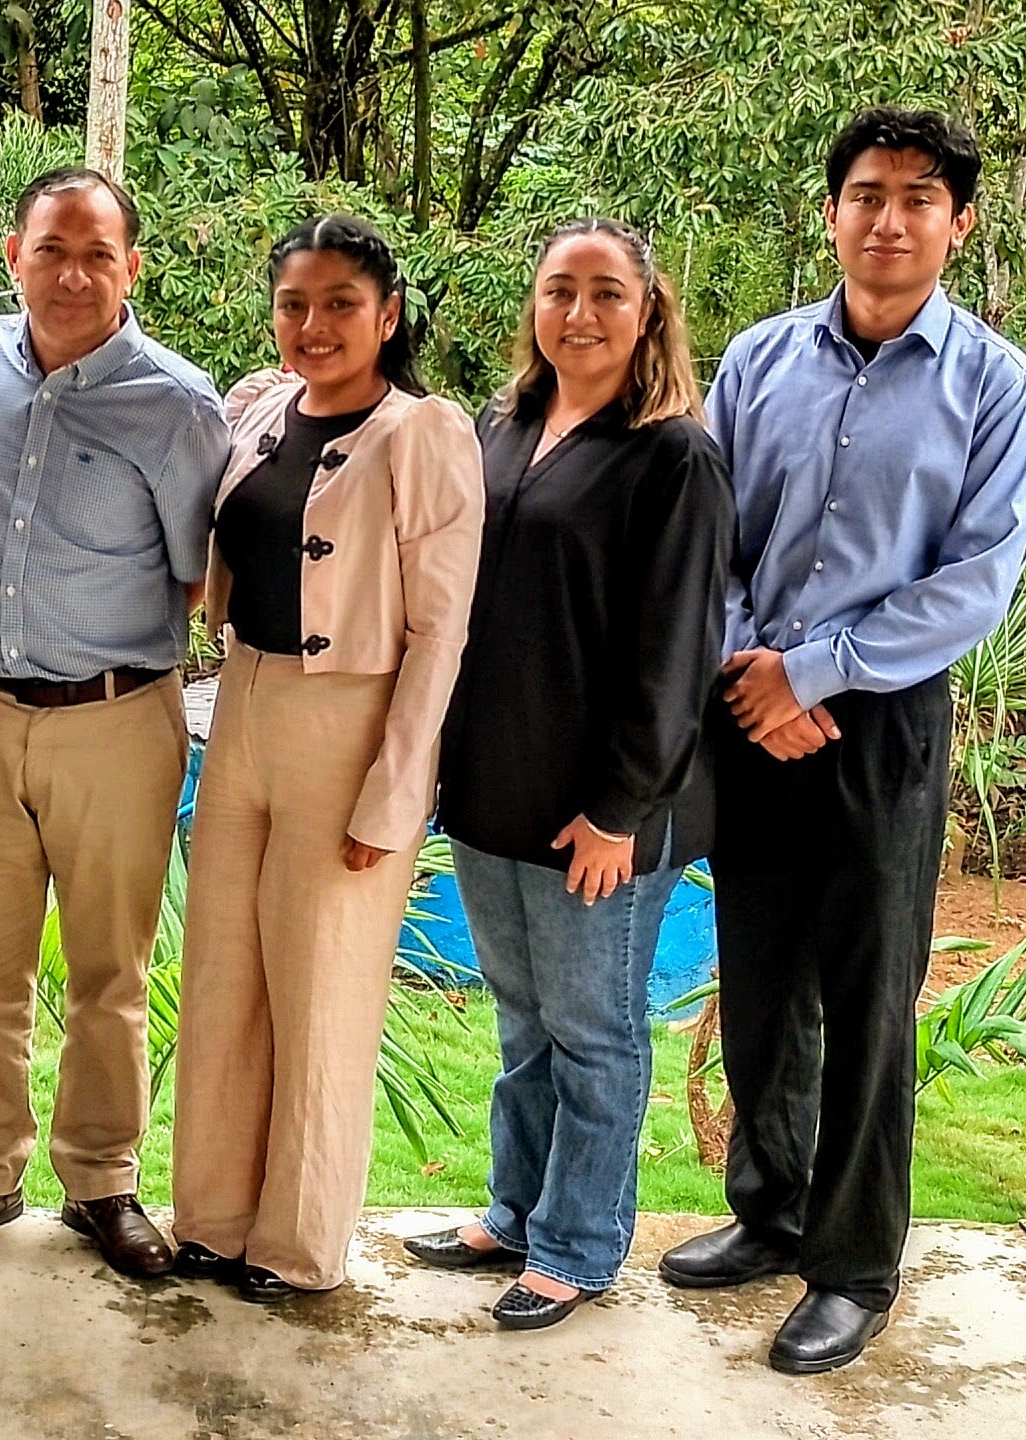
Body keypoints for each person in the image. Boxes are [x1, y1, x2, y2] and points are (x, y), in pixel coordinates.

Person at [661, 108, 1026, 1374]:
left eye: (917, 198)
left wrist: (810, 671)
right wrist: (748, 666)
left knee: (868, 996)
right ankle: (769, 1213)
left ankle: (853, 1267)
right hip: (748, 702)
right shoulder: (758, 360)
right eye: (866, 194)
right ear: (829, 212)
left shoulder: (994, 384)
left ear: (957, 223)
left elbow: (975, 578)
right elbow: (709, 536)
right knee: (760, 982)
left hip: (881, 717)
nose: (888, 219)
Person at [402, 218, 732, 1331]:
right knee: (522, 1024)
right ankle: (515, 1211)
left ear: (648, 311)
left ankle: (579, 1247)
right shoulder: (502, 428)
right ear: (533, 305)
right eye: (559, 290)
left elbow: (674, 654)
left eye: (605, 293)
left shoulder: (674, 456)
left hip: (602, 814)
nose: (579, 314)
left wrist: (617, 811)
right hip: (492, 793)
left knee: (593, 1036)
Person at [0, 167, 232, 1278]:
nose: (74, 274)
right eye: (52, 249)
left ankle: (100, 1181)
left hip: (115, 718)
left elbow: (196, 573)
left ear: (131, 267)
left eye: (98, 254)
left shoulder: (176, 403)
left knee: (109, 973)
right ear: (15, 256)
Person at [167, 215, 483, 1306]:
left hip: (350, 721)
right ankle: (211, 1219)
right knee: (222, 976)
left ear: (387, 315)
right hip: (242, 701)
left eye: (341, 303)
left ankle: (297, 1245)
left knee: (321, 991)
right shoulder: (260, 412)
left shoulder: (421, 432)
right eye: (293, 303)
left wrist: (395, 789)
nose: (314, 324)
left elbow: (441, 630)